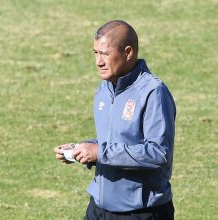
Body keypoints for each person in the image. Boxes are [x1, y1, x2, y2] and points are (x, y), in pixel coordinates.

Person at [54, 20, 176, 220]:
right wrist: (82, 148)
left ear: (128, 53)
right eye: (95, 53)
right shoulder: (104, 89)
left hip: (140, 213)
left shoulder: (153, 92)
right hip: (99, 209)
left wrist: (100, 152)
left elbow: (158, 153)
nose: (98, 62)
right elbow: (116, 140)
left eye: (105, 54)